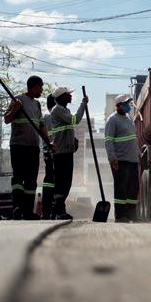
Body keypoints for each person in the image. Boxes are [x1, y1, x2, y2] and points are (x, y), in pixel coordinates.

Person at [4, 75, 54, 220]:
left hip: (33, 147)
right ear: (34, 86)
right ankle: (17, 207)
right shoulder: (17, 100)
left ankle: (27, 212)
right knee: (18, 178)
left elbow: (41, 126)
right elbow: (7, 119)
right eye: (41, 87)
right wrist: (15, 109)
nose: (42, 90)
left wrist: (49, 142)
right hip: (18, 146)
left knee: (31, 180)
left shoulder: (37, 104)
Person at [50, 87, 88, 220]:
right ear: (61, 97)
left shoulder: (64, 110)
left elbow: (67, 128)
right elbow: (75, 120)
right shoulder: (58, 110)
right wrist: (83, 105)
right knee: (62, 182)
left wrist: (73, 140)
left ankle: (57, 209)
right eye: (68, 94)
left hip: (66, 151)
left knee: (66, 182)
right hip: (61, 153)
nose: (71, 96)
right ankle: (59, 210)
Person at [105, 94, 140, 222]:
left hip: (132, 159)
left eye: (128, 103)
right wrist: (112, 159)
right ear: (118, 105)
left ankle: (132, 214)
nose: (127, 106)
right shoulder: (112, 120)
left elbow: (132, 138)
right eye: (125, 104)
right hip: (120, 160)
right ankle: (120, 216)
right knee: (121, 188)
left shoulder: (129, 118)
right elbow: (108, 141)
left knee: (133, 188)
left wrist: (138, 153)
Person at [41, 94, 56, 219]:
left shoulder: (46, 115)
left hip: (48, 151)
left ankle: (48, 210)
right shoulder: (52, 115)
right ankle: (50, 210)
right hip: (53, 151)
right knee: (52, 180)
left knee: (50, 179)